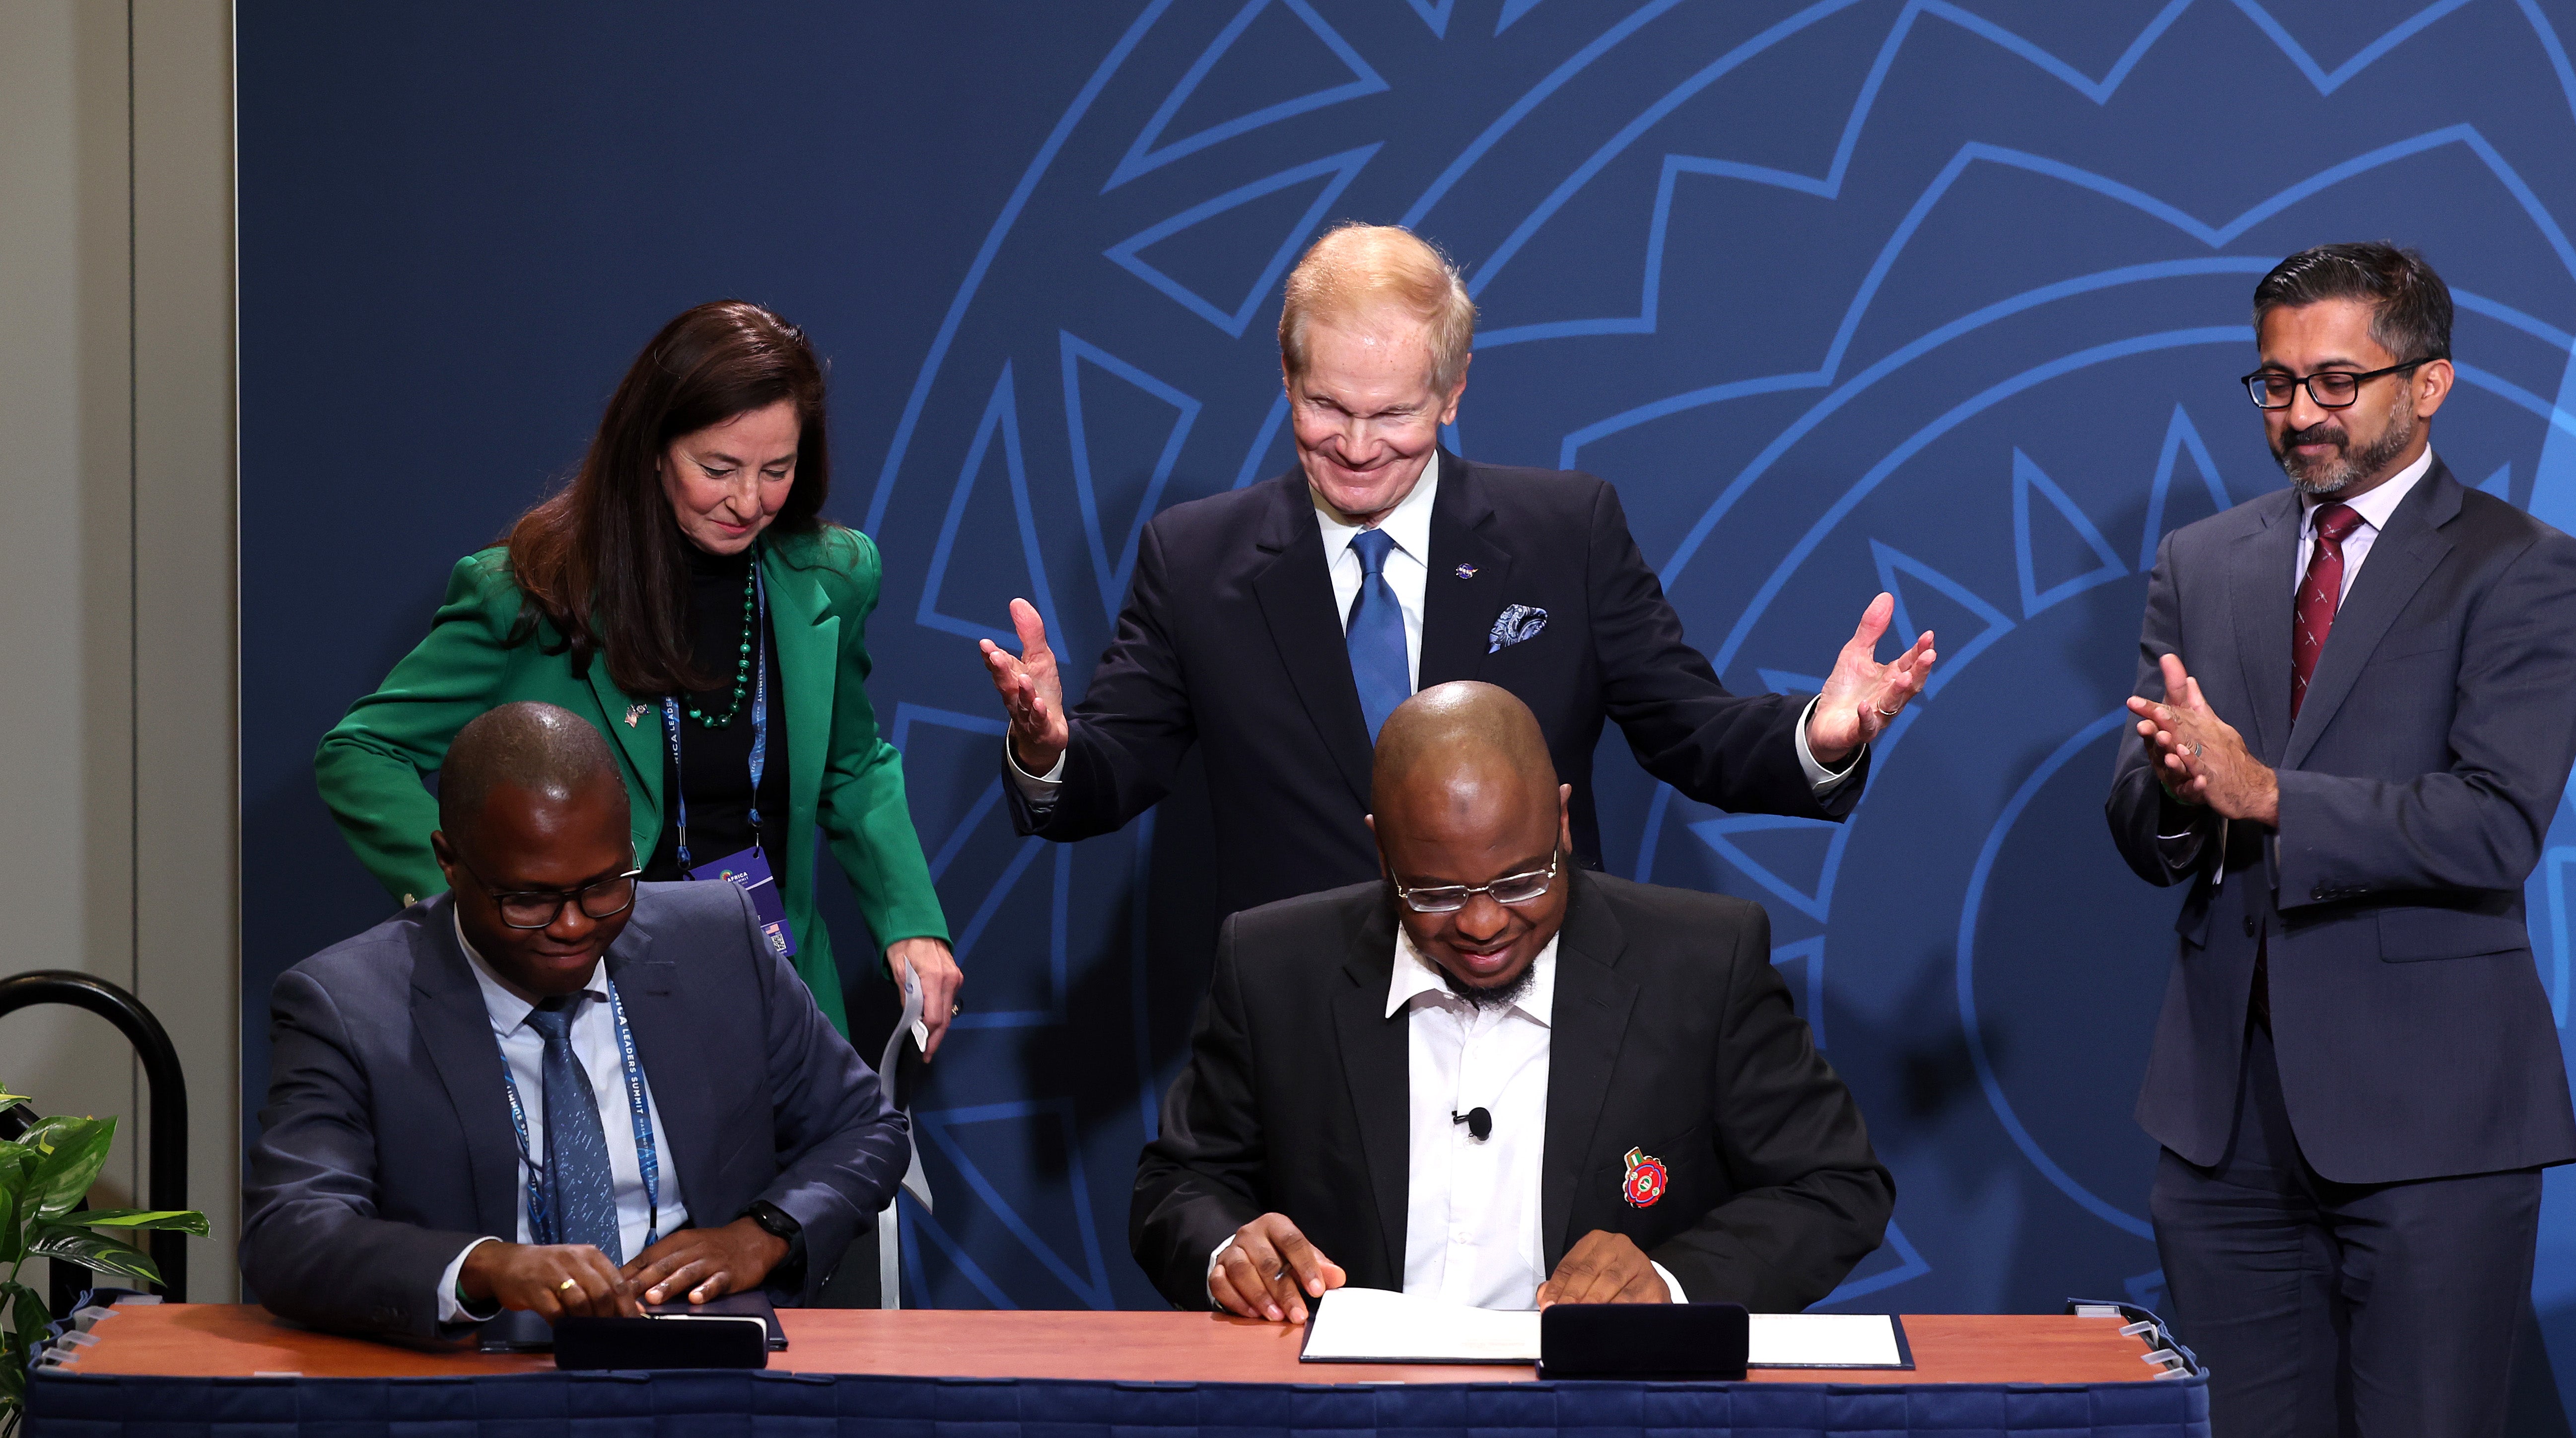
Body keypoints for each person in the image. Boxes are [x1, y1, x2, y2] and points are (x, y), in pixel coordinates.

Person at [2108, 242, 2576, 1438]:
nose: (2299, 412)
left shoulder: (2523, 568)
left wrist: (2270, 795)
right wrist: (2183, 801)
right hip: (2226, 1121)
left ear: (2426, 382)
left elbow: (2492, 825)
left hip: (2433, 1125)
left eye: (2335, 381)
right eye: (2274, 381)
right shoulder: (2205, 559)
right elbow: (2142, 820)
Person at [981, 223, 1938, 923]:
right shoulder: (1194, 559)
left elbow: (1693, 733)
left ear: (1454, 390)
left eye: (1394, 414)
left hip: (1536, 1014)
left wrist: (1822, 732)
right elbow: (1106, 776)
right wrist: (1047, 748)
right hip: (1307, 1035)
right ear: (1284, 376)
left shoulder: (1567, 533)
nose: (1357, 446)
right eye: (1326, 406)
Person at [1129, 681, 1893, 1318]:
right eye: (1435, 892)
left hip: (1603, 1423)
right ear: (1381, 849)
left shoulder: (1700, 962)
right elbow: (1178, 1187)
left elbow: (1835, 1186)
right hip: (1349, 1423)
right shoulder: (1274, 966)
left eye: (1523, 880)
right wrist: (1227, 1250)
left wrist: (1670, 1283)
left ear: (1562, 822)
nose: (1484, 923)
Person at [315, 300, 962, 1050]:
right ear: (653, 448)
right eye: (718, 469)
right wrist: (479, 901)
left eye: (776, 470)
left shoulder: (833, 576)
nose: (749, 501)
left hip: (777, 993)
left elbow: (851, 766)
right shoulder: (528, 593)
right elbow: (360, 754)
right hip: (587, 1010)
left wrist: (910, 922)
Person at [248, 702, 907, 1340]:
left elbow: (865, 1129)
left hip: (702, 1363)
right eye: (528, 899)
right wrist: (481, 1268)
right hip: (479, 1378)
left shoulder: (716, 940)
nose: (571, 926)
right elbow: (292, 1230)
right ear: (449, 861)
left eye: (603, 886)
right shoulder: (348, 1003)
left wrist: (761, 1234)